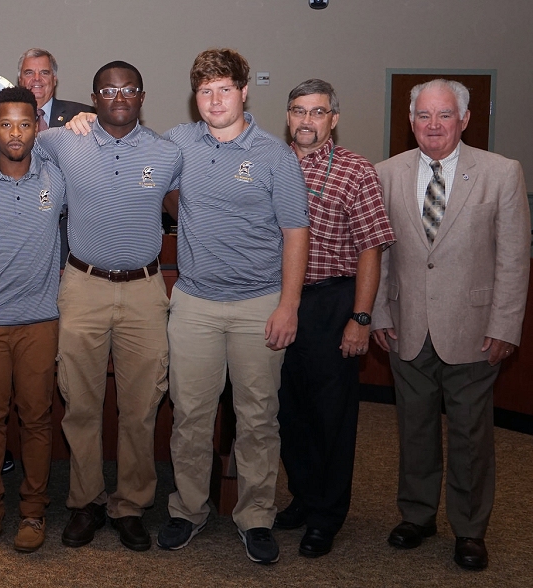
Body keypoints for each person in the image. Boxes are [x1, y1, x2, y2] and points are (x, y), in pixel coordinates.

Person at [157, 48, 309, 564]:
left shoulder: (275, 155)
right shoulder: (178, 142)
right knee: (190, 417)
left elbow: (295, 235)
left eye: (224, 89)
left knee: (258, 419)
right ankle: (188, 510)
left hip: (258, 305)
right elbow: (136, 165)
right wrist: (84, 120)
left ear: (244, 92)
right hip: (195, 303)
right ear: (194, 96)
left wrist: (288, 306)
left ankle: (256, 517)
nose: (214, 100)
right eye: (205, 91)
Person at [371, 79, 529, 571]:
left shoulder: (501, 173)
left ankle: (469, 528)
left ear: (464, 119)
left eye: (444, 116)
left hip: (475, 328)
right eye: (423, 116)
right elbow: (377, 252)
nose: (433, 125)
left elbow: (514, 256)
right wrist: (378, 311)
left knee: (469, 435)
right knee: (414, 429)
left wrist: (506, 324)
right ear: (411, 120)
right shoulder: (387, 173)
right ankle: (417, 516)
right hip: (406, 325)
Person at [46, 61, 182, 552]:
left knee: (141, 406)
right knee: (79, 402)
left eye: (128, 89)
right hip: (83, 286)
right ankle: (85, 502)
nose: (118, 96)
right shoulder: (64, 141)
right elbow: (7, 145)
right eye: (108, 89)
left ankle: (130, 505)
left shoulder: (168, 152)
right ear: (93, 98)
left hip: (146, 292)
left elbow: (194, 202)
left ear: (142, 95)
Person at [275, 79, 395, 558]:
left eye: (318, 112)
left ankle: (327, 514)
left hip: (331, 303)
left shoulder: (356, 171)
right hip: (278, 302)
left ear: (334, 119)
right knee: (287, 412)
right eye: (299, 111)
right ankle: (303, 498)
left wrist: (360, 318)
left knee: (331, 417)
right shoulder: (271, 162)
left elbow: (371, 248)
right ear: (288, 115)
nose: (307, 120)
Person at [0, 87, 65, 557]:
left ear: (36, 127)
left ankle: (34, 510)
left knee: (38, 418)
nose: (15, 133)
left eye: (25, 124)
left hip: (40, 320)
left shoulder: (57, 179)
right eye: (6, 124)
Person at [0, 48, 92, 140]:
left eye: (44, 73)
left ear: (54, 79)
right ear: (20, 80)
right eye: (29, 73)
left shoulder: (82, 115)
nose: (37, 78)